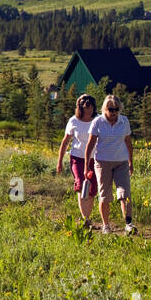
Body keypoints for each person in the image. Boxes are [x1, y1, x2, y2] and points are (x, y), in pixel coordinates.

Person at [84, 94, 135, 235]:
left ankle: (129, 224)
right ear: (105, 109)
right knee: (105, 195)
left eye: (116, 109)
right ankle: (106, 225)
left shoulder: (124, 122)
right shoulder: (98, 122)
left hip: (121, 161)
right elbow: (90, 144)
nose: (113, 112)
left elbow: (128, 143)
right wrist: (86, 165)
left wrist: (131, 161)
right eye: (111, 109)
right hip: (102, 162)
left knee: (125, 193)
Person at [56, 94, 98, 228]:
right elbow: (65, 142)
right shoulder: (74, 121)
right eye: (86, 108)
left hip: (94, 158)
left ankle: (88, 217)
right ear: (80, 107)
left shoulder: (98, 120)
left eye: (91, 108)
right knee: (81, 185)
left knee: (91, 189)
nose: (89, 110)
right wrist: (60, 161)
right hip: (77, 158)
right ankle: (85, 219)